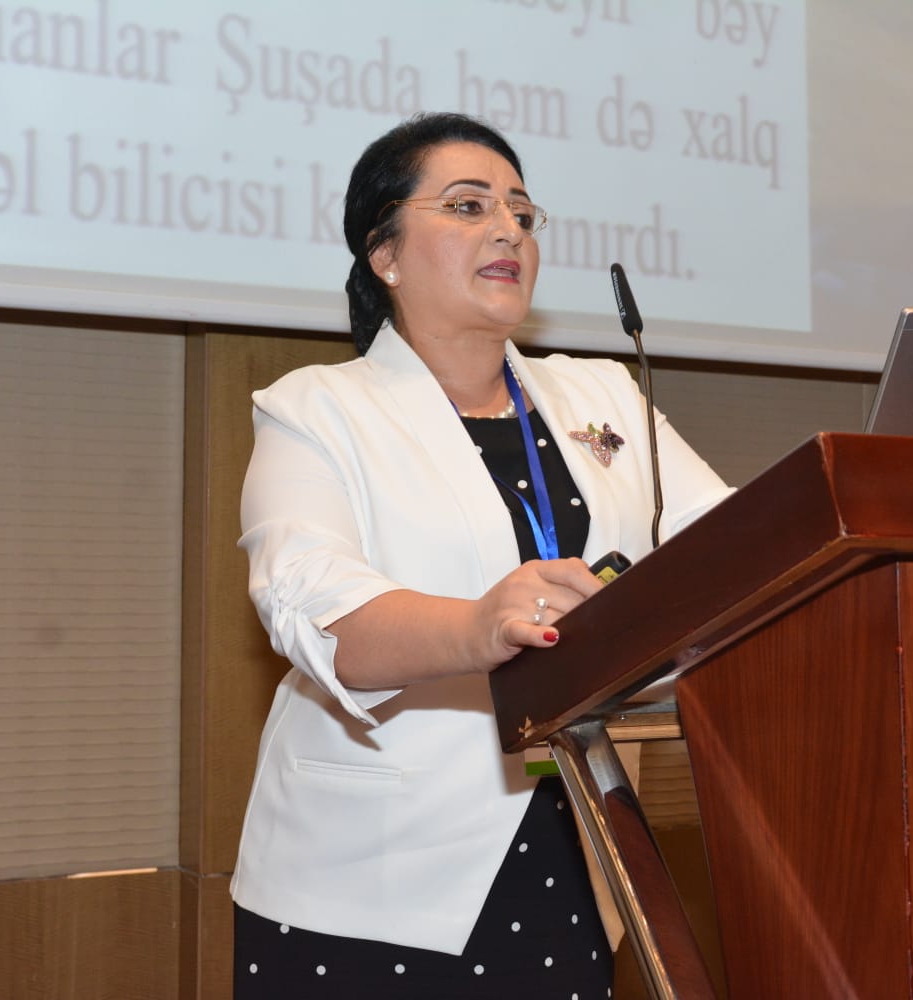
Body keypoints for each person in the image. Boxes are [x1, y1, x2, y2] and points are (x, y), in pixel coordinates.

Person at [230, 112, 732, 998]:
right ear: (384, 254)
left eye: (521, 213)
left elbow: (730, 550)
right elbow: (311, 608)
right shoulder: (316, 409)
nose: (508, 229)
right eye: (468, 207)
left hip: (578, 844)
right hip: (371, 874)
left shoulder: (602, 392)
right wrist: (478, 626)